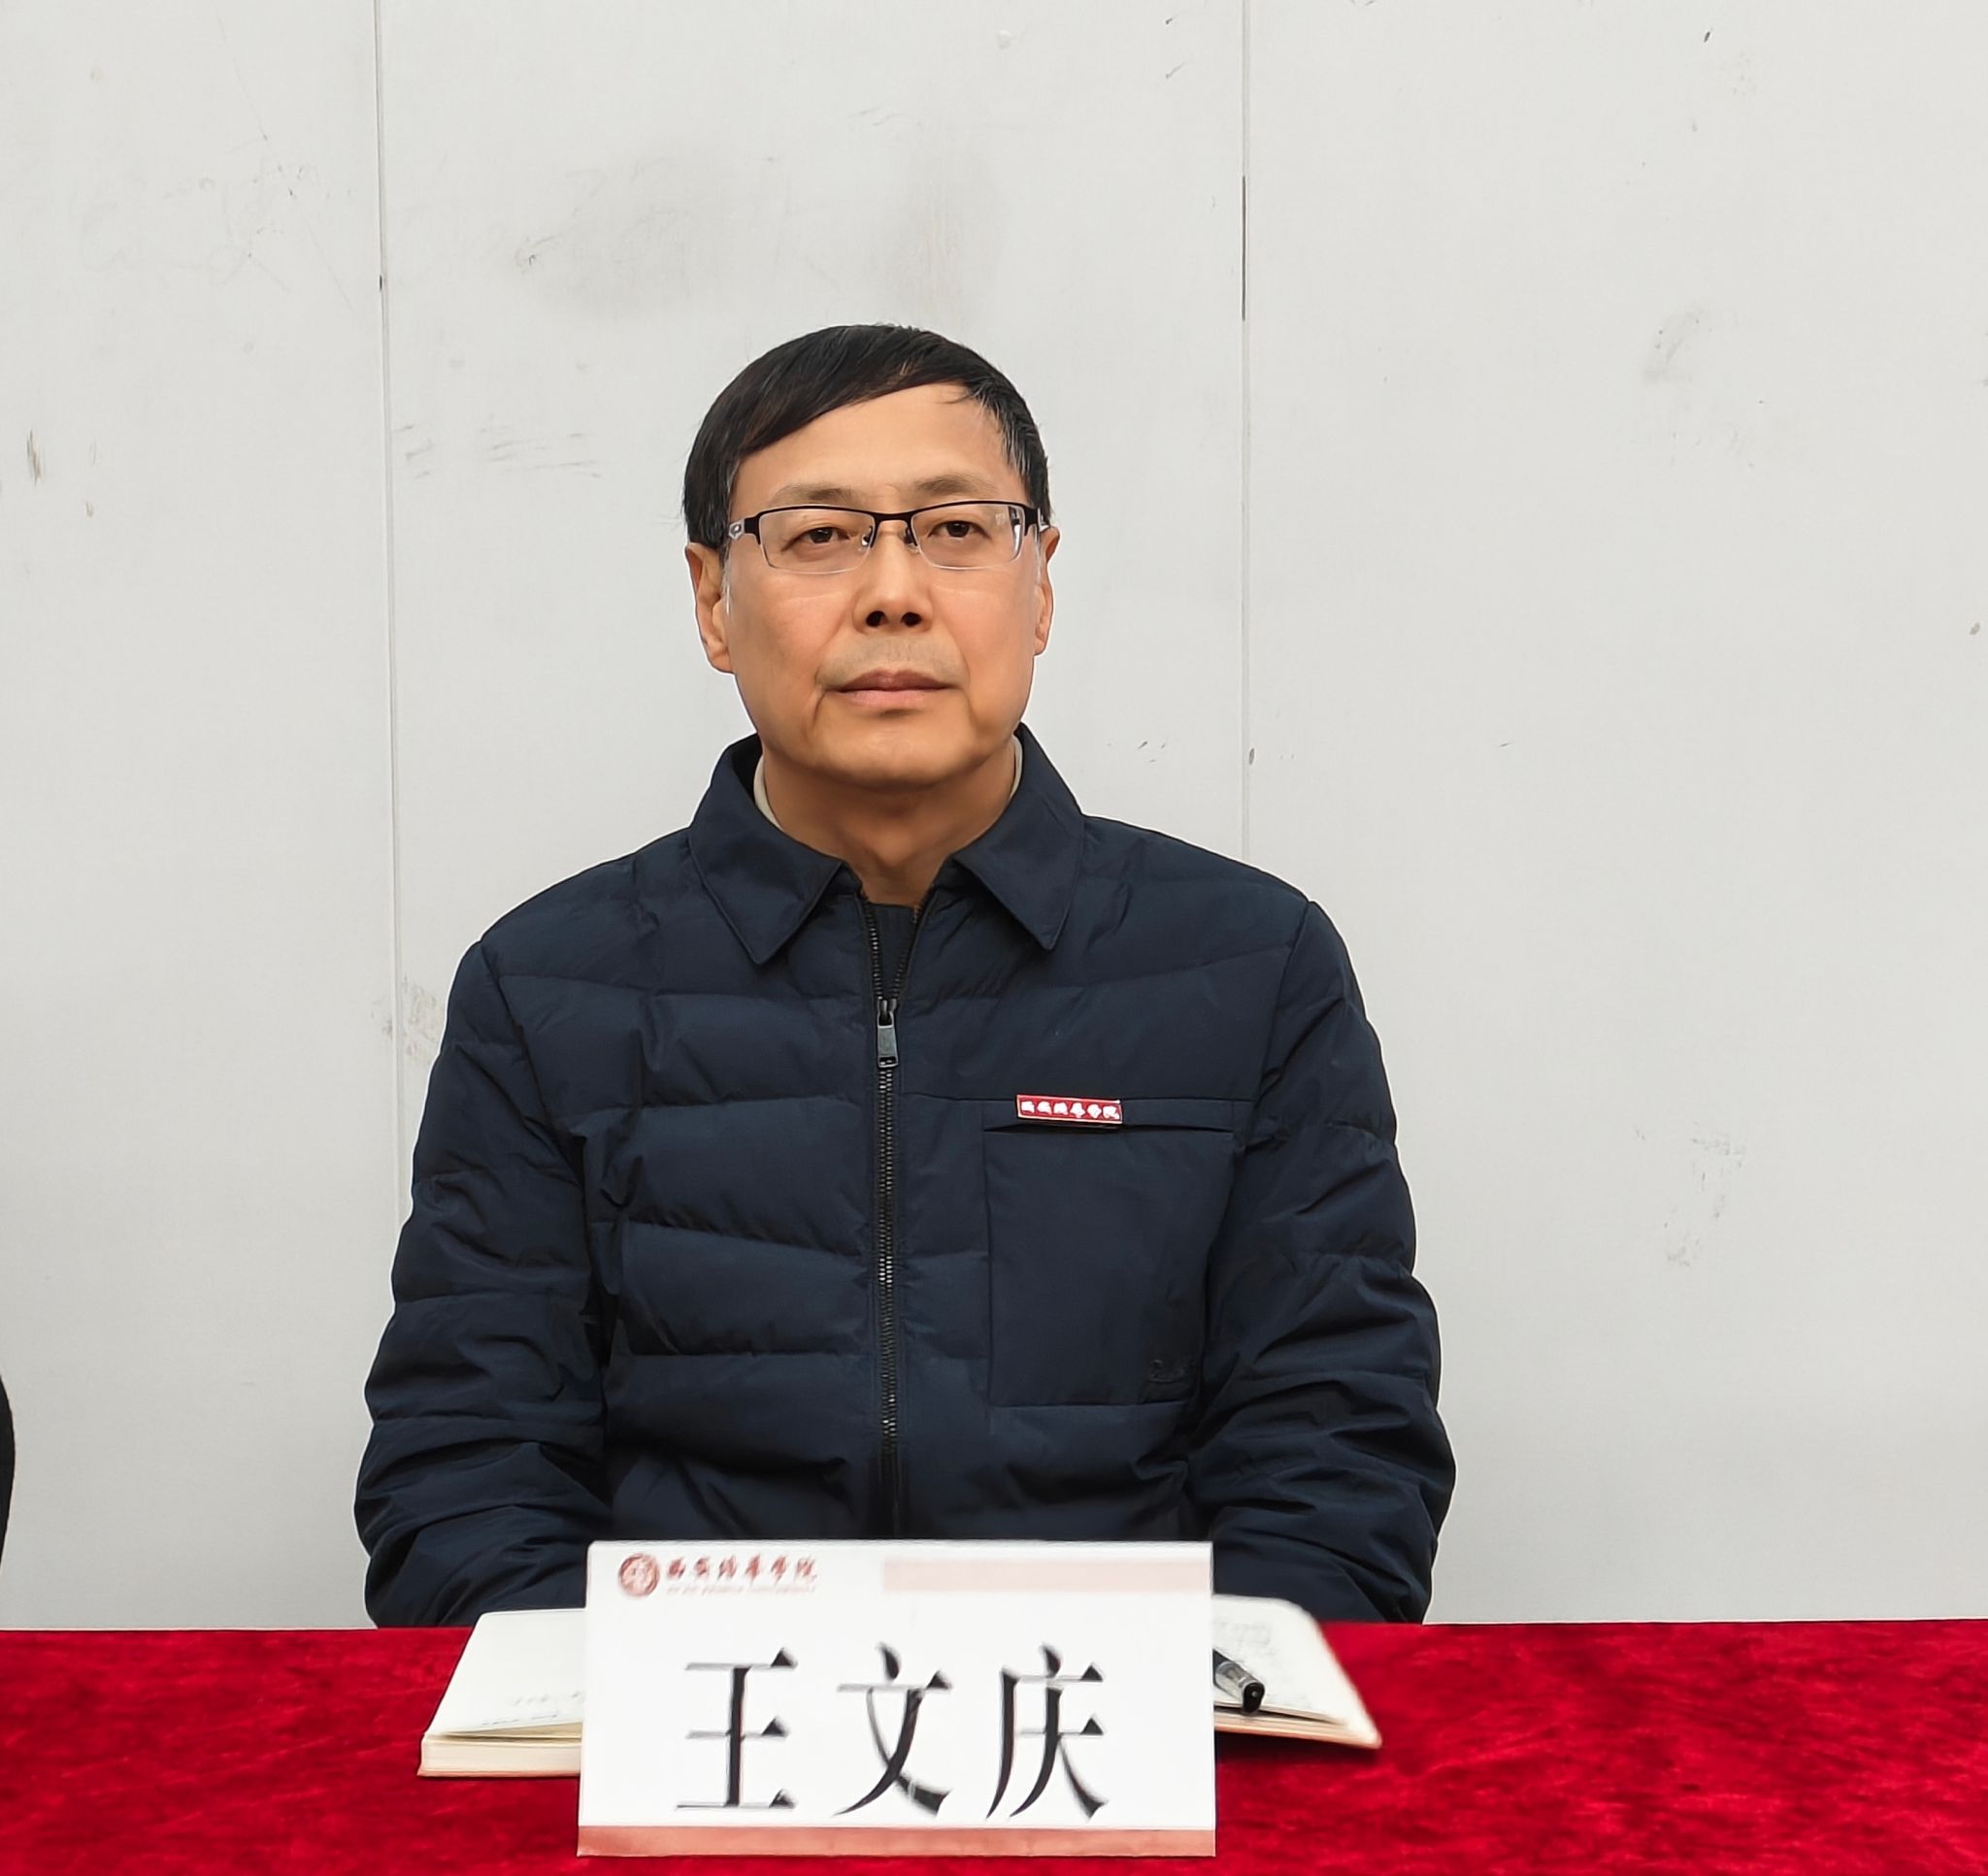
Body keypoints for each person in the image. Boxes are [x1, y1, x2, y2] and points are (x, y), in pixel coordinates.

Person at [355, 324, 1454, 1627]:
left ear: (1039, 585)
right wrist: (626, 1722)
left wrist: (1206, 1714)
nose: (894, 591)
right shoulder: (547, 991)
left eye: (956, 530)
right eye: (819, 535)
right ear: (712, 600)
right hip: (691, 1727)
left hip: (1115, 1727)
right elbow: (470, 1468)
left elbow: (1332, 1451)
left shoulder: (1252, 968)